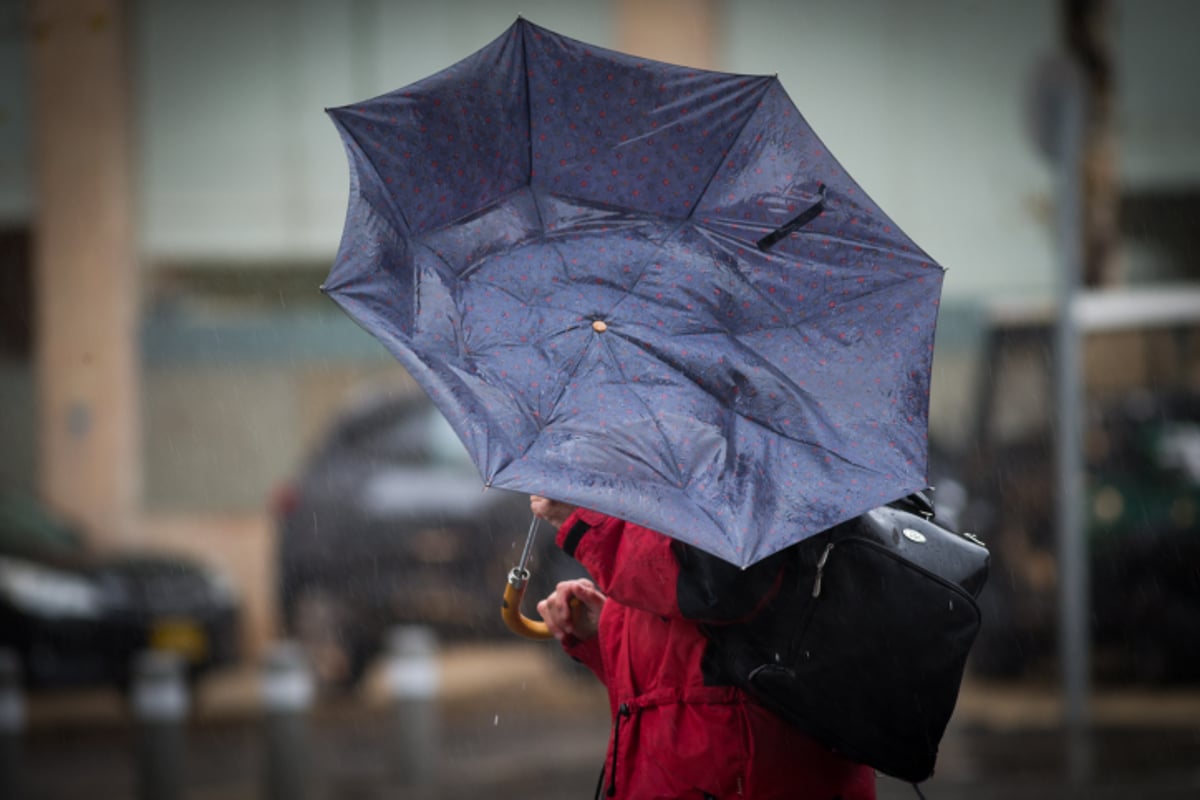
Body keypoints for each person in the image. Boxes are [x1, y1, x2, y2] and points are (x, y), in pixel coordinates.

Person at [531, 495, 876, 800]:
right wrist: (606, 629)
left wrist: (583, 523)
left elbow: (713, 585)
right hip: (703, 771)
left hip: (745, 775)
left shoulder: (748, 470)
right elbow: (688, 656)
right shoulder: (688, 475)